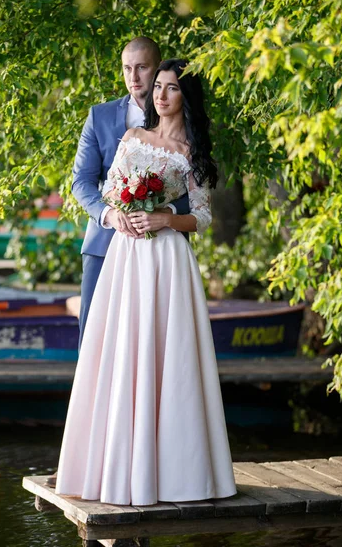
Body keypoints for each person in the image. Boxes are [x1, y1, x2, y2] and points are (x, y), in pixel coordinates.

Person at [55, 59, 237, 505]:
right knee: (118, 354)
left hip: (167, 260)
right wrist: (118, 214)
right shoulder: (133, 137)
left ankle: (175, 474)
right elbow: (111, 187)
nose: (160, 94)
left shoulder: (192, 152)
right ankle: (113, 468)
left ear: (185, 97)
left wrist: (165, 216)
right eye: (158, 86)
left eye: (171, 88)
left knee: (167, 358)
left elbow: (204, 215)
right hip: (126, 255)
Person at [72, 37, 189, 348]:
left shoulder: (184, 124)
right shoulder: (99, 116)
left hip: (161, 249)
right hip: (104, 244)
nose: (133, 78)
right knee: (95, 342)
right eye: (127, 69)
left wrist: (166, 215)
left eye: (141, 68)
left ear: (158, 68)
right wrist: (108, 213)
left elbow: (196, 193)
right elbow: (81, 181)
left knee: (156, 344)